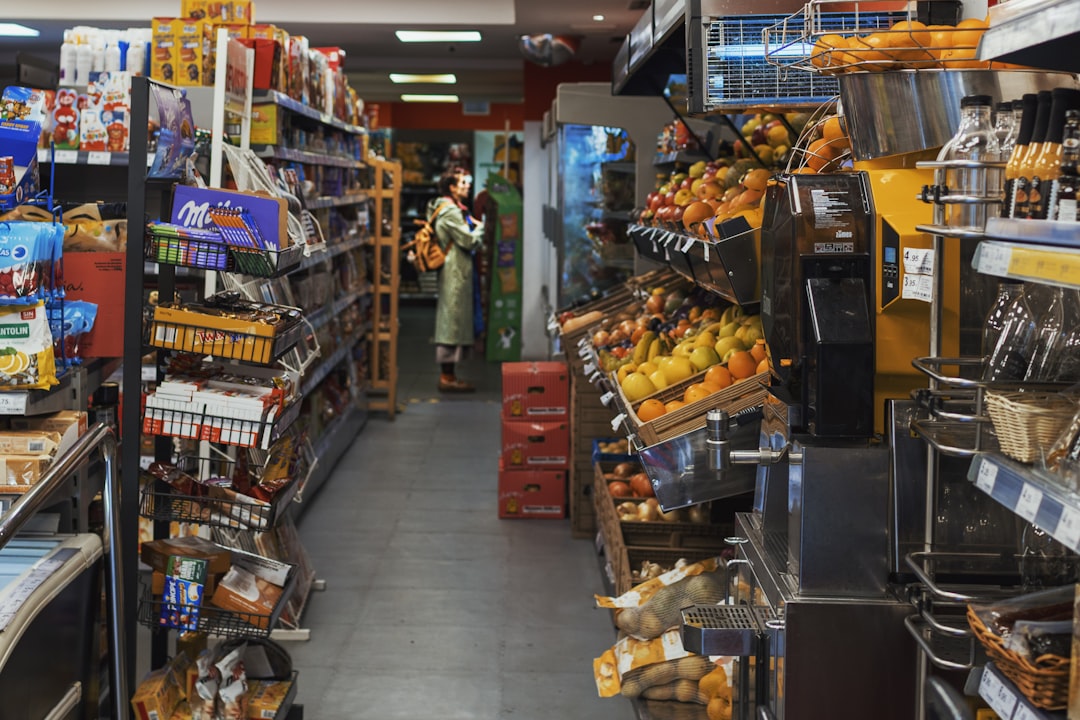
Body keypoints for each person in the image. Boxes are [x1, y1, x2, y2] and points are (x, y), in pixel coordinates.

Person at [428, 166, 485, 392]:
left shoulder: (452, 208)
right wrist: (481, 229)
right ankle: (447, 377)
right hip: (455, 272)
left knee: (452, 320)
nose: (467, 186)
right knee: (450, 323)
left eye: (467, 182)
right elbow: (469, 241)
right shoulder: (451, 211)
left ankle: (449, 374)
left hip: (455, 271)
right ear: (451, 187)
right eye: (462, 183)